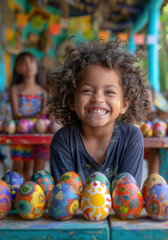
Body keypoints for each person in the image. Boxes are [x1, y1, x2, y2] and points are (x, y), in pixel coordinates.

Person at [48, 39, 151, 188]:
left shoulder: (131, 138)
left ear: (124, 105)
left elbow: (128, 197)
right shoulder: (63, 140)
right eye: (87, 90)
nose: (98, 98)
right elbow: (65, 199)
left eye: (109, 92)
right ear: (71, 101)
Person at [9, 52, 50, 180]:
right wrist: (39, 114)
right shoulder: (15, 89)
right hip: (20, 134)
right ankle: (14, 196)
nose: (28, 65)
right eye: (23, 62)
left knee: (31, 172)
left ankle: (28, 197)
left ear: (37, 66)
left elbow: (46, 116)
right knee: (16, 171)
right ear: (17, 68)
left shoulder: (43, 92)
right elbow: (16, 116)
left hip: (37, 136)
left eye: (31, 61)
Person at [144, 87, 168, 175]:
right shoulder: (134, 116)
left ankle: (152, 177)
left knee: (156, 150)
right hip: (136, 148)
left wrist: (156, 109)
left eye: (148, 99)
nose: (145, 101)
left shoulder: (155, 116)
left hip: (151, 149)